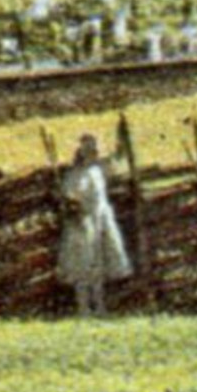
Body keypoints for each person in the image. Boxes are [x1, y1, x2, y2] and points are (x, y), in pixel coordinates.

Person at [58, 134, 133, 316]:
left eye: (93, 149)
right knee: (82, 265)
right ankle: (83, 308)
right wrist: (74, 206)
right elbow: (69, 196)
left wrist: (121, 142)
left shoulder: (98, 169)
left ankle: (99, 306)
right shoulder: (74, 174)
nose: (92, 153)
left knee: (98, 264)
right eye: (87, 150)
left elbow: (117, 159)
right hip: (82, 222)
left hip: (100, 220)